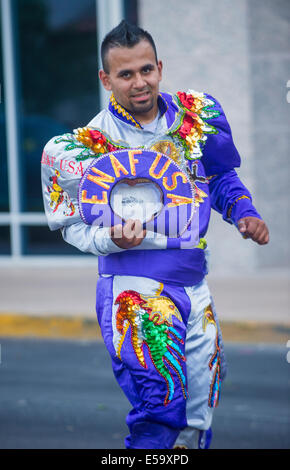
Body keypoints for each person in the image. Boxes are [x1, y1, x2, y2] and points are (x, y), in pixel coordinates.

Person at [41, 20, 269, 449]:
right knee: (160, 409)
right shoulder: (83, 148)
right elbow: (72, 225)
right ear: (105, 79)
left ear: (160, 67)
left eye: (146, 70)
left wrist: (244, 213)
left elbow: (220, 176)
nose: (139, 82)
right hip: (134, 287)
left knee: (198, 412)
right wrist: (111, 238)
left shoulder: (197, 119)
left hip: (195, 283)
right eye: (125, 74)